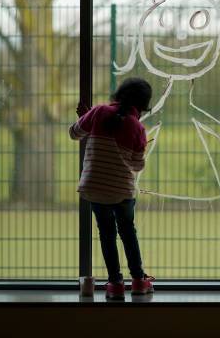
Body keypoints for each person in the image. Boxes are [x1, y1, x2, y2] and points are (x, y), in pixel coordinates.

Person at [69, 78, 155, 299]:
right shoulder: (138, 127)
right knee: (128, 232)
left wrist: (85, 117)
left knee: (107, 234)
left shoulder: (98, 112)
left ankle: (115, 284)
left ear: (118, 95)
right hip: (121, 190)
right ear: (142, 106)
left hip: (95, 187)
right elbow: (137, 165)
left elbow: (74, 133)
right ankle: (138, 280)